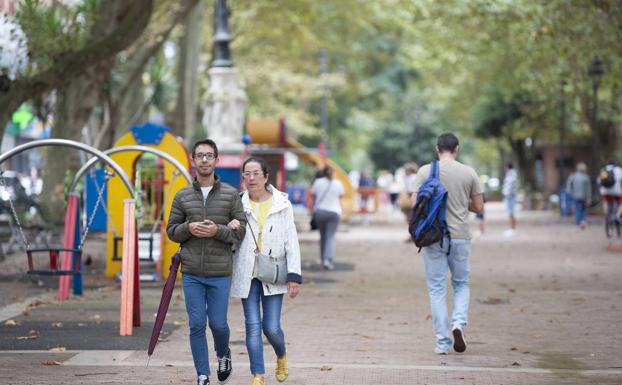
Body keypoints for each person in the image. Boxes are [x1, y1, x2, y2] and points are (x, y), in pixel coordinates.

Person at [166, 139, 246, 385]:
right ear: (193, 160)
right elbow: (171, 231)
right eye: (200, 155)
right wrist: (188, 228)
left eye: (209, 155)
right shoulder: (182, 196)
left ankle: (224, 354)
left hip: (220, 271)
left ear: (216, 160)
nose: (204, 160)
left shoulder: (231, 195)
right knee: (197, 324)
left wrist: (218, 232)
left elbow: (241, 231)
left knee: (219, 324)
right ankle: (203, 374)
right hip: (191, 271)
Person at [227, 157, 302, 385]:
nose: (251, 178)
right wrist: (230, 227)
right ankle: (257, 375)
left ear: (266, 176)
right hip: (247, 271)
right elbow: (230, 240)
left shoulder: (282, 204)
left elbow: (292, 240)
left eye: (256, 173)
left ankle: (281, 355)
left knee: (271, 327)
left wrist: (294, 276)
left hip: (273, 271)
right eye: (246, 174)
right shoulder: (238, 204)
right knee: (252, 326)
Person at [411, 133, 484, 355]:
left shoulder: (425, 171)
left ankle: (442, 343)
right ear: (457, 149)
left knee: (436, 288)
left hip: (433, 236)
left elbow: (415, 203)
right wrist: (461, 203)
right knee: (461, 283)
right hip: (460, 235)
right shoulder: (469, 172)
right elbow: (479, 207)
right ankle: (458, 324)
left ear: (437, 149)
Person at [310, 165, 344, 270]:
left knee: (323, 236)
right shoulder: (338, 183)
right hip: (334, 212)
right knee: (330, 236)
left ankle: (322, 258)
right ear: (332, 173)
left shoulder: (318, 182)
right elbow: (341, 195)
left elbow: (313, 196)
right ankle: (327, 259)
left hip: (320, 212)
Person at [566, 162, 592, 229]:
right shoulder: (586, 177)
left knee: (577, 208)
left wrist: (570, 193)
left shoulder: (573, 176)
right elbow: (588, 189)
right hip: (583, 196)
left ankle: (577, 222)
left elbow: (568, 186)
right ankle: (583, 221)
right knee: (583, 209)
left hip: (575, 195)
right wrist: (589, 197)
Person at [502, 162, 518, 236]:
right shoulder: (511, 174)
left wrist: (506, 194)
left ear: (508, 167)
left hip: (510, 196)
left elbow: (510, 185)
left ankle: (513, 229)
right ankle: (512, 229)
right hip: (510, 196)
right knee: (511, 213)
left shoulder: (511, 175)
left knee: (511, 213)